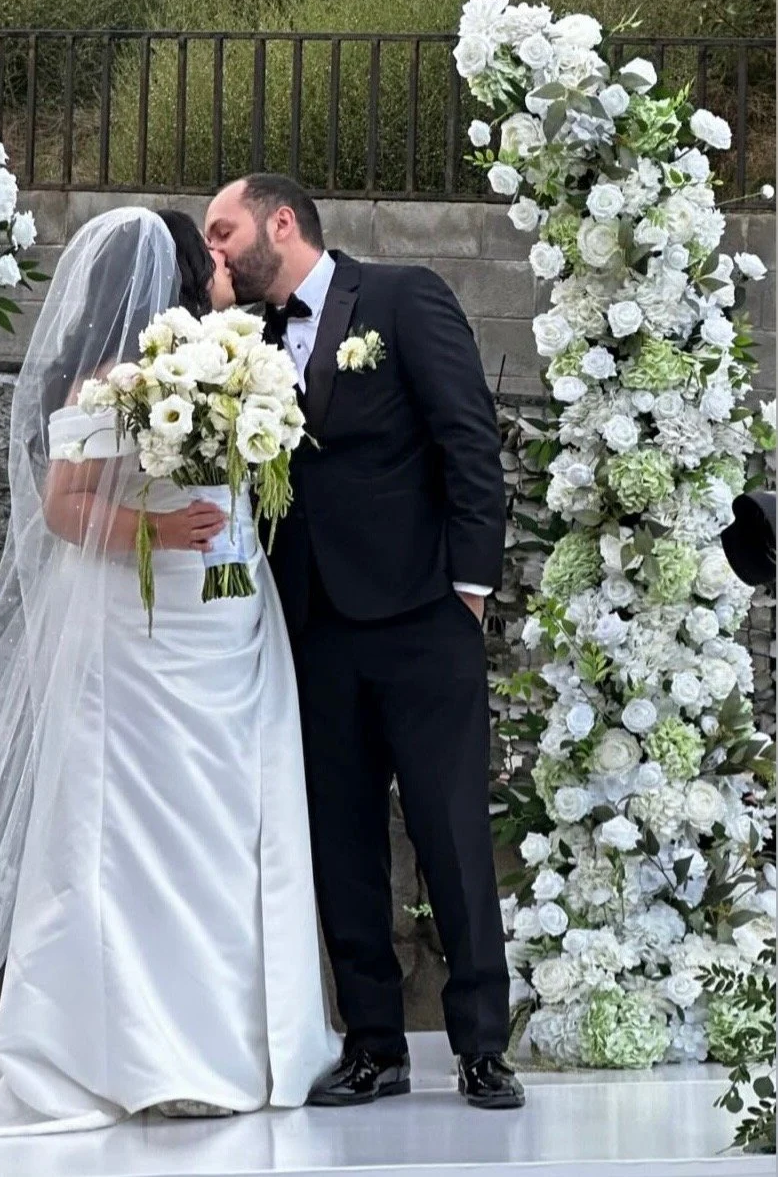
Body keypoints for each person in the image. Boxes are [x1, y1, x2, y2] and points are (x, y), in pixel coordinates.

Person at [0, 204, 341, 1139]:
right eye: (206, 251)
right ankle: (127, 1045)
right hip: (137, 633)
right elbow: (65, 508)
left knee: (223, 825)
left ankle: (233, 1041)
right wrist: (160, 529)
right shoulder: (106, 383)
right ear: (172, 275)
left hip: (223, 619)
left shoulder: (230, 362)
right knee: (137, 829)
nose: (222, 261)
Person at [205, 174, 524, 1112]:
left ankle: (479, 1047)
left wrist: (469, 588)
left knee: (451, 832)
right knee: (340, 840)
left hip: (425, 617)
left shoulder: (399, 295)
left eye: (224, 233)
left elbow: (468, 440)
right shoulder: (240, 342)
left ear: (282, 220)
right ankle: (375, 1046)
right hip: (314, 629)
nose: (212, 252)